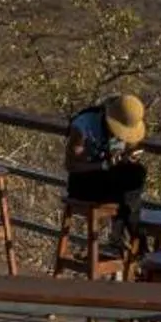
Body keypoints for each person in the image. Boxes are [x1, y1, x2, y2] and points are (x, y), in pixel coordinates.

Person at [65, 92, 151, 238]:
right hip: (83, 183)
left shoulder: (119, 136)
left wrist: (126, 160)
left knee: (136, 175)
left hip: (110, 180)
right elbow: (71, 166)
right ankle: (133, 239)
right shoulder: (83, 127)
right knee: (128, 197)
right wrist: (103, 165)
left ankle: (123, 238)